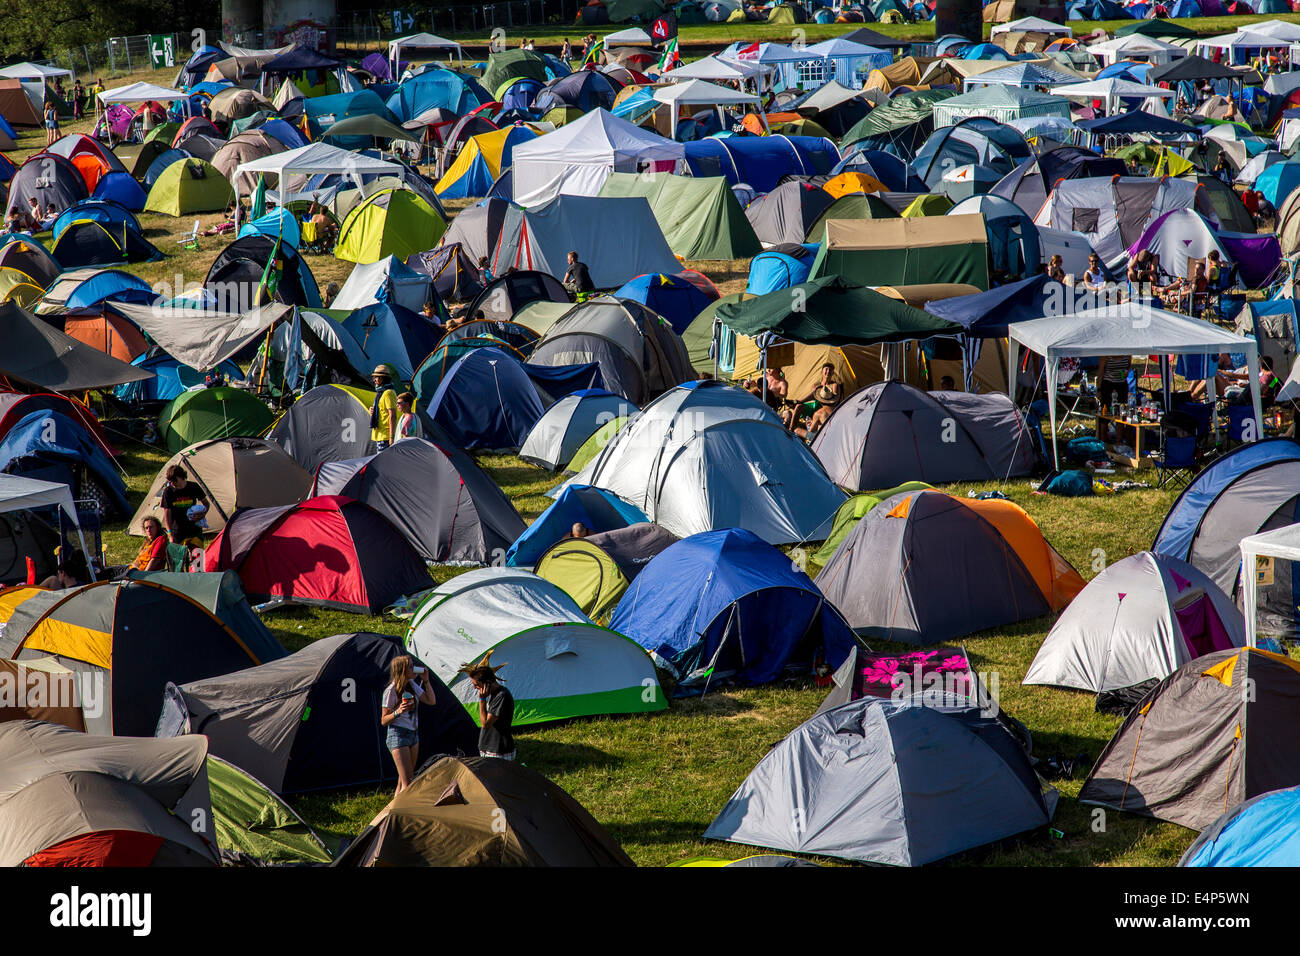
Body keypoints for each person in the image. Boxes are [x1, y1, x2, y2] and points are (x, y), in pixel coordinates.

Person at [380, 655, 437, 794]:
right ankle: (405, 812)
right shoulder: (391, 690)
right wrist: (398, 711)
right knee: (408, 782)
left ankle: (394, 811)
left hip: (413, 734)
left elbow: (431, 701)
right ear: (402, 670)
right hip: (398, 735)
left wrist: (426, 681)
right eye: (411, 666)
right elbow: (383, 720)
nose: (414, 669)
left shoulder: (411, 685)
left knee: (403, 781)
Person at [465, 658, 515, 760]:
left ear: (488, 682)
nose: (475, 688)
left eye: (477, 685)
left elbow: (485, 723)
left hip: (498, 751)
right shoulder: (493, 694)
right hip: (489, 748)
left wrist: (482, 699)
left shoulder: (502, 696)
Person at [160, 465, 211, 545]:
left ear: (180, 477)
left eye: (173, 480)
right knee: (180, 557)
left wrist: (203, 513)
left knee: (198, 556)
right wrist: (170, 534)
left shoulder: (194, 487)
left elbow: (206, 503)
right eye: (169, 481)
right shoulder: (168, 492)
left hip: (195, 530)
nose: (171, 483)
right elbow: (167, 514)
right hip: (177, 532)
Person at [370, 365, 399, 449]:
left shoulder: (388, 393)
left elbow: (392, 415)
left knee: (383, 462)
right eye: (374, 377)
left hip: (385, 436)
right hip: (379, 435)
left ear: (382, 378)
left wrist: (391, 437)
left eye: (376, 377)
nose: (374, 380)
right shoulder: (380, 392)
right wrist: (373, 410)